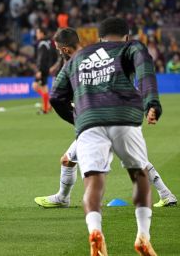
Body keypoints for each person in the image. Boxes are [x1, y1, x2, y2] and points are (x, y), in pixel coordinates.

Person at [50, 18, 161, 256]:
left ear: (99, 38)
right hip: (124, 117)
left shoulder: (77, 58)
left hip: (89, 122)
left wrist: (78, 120)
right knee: (138, 174)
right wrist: (151, 102)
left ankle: (95, 230)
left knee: (93, 180)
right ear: (127, 37)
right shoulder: (131, 48)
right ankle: (143, 235)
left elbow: (56, 96)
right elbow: (145, 71)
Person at [35, 28, 177, 209]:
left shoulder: (76, 63)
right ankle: (166, 194)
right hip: (117, 116)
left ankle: (64, 199)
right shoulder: (96, 55)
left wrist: (79, 115)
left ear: (64, 49)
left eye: (57, 48)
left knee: (93, 164)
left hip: (97, 121)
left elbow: (59, 96)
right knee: (134, 159)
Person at [32, 27, 57, 114]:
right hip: (47, 67)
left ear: (42, 33)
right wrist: (52, 65)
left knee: (36, 86)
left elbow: (41, 58)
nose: (37, 34)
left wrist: (39, 70)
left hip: (42, 68)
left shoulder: (42, 43)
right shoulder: (49, 42)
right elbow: (54, 54)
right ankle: (47, 106)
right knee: (44, 88)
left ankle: (46, 107)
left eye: (38, 33)